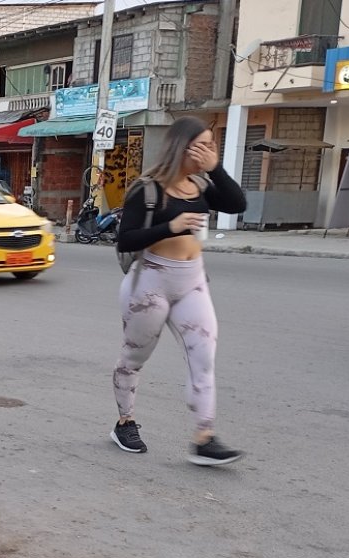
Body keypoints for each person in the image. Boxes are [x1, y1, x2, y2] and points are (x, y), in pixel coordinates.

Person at [110, 116, 247, 466]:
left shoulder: (201, 184)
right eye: (202, 145)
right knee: (133, 359)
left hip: (192, 282)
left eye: (211, 145)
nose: (208, 151)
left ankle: (204, 437)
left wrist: (215, 169)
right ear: (181, 147)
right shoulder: (148, 188)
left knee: (203, 359)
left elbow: (237, 203)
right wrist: (170, 227)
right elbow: (125, 238)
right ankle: (124, 422)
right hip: (151, 281)